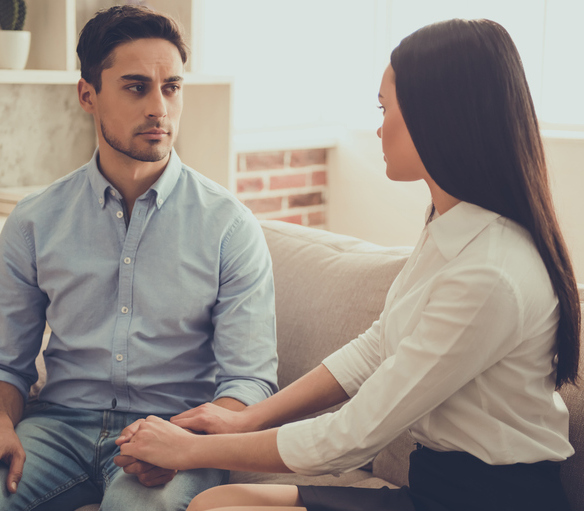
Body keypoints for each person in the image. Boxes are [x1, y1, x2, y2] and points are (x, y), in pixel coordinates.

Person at [116, 18, 581, 511]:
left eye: (385, 109)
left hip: (490, 501)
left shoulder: (491, 273)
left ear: (437, 116)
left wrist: (190, 450)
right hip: (434, 488)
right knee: (221, 501)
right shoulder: (452, 229)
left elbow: (351, 437)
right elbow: (379, 346)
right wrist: (244, 419)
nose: (379, 127)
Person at [0, 5, 278, 511]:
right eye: (137, 87)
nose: (159, 107)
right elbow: (4, 360)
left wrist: (189, 443)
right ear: (87, 95)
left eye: (172, 87)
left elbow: (250, 379)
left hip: (171, 432)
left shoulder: (229, 225)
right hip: (57, 430)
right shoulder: (34, 221)